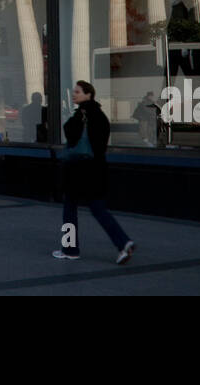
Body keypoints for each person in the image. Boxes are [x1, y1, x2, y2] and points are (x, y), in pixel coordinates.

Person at [54, 80, 135, 264]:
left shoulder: (82, 114)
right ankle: (123, 242)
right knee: (98, 209)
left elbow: (71, 136)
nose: (74, 94)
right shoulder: (100, 115)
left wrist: (73, 119)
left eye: (78, 91)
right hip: (97, 170)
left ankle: (70, 249)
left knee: (69, 209)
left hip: (78, 171)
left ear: (88, 94)